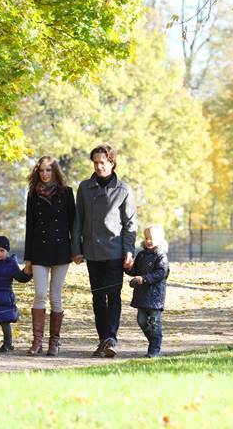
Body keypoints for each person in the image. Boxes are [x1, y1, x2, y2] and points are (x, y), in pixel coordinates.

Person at [72, 143, 137, 358]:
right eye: (95, 163)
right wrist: (77, 248)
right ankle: (103, 339)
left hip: (115, 251)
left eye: (103, 162)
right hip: (91, 251)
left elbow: (130, 224)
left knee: (113, 295)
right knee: (97, 297)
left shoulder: (124, 189)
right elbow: (78, 220)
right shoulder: (84, 187)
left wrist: (129, 251)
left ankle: (111, 338)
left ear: (112, 162)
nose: (99, 166)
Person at [22, 156, 76, 356]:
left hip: (62, 251)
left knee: (55, 296)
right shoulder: (32, 195)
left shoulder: (67, 193)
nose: (45, 174)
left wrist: (76, 250)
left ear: (55, 172)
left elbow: (74, 225)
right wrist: (27, 259)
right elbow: (30, 227)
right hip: (39, 251)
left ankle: (55, 341)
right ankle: (37, 341)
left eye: (48, 170)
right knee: (40, 294)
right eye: (41, 171)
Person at [125, 224, 169, 358]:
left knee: (154, 322)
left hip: (155, 296)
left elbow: (161, 273)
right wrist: (128, 268)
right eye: (146, 238)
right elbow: (135, 271)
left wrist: (143, 279)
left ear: (160, 240)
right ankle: (154, 342)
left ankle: (154, 349)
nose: (148, 241)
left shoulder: (161, 256)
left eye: (152, 238)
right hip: (142, 295)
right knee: (141, 320)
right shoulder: (142, 255)